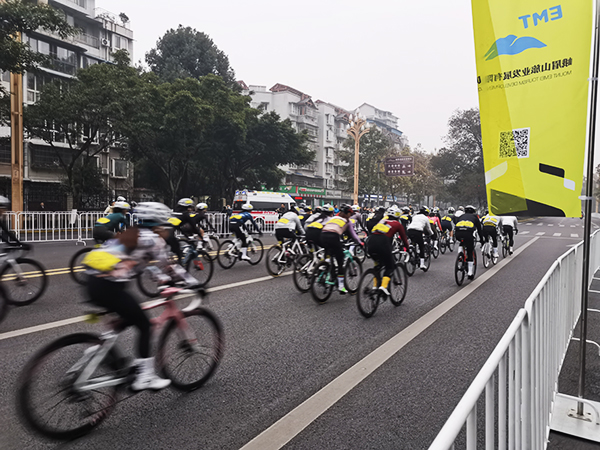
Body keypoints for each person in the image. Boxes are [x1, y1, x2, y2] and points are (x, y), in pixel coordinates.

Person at [83, 202, 200, 391]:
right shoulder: (153, 239)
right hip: (108, 286)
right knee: (145, 325)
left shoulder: (130, 233)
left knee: (127, 316)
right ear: (160, 223)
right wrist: (195, 284)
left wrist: (160, 278)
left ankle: (99, 350)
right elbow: (169, 267)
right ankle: (145, 377)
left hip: (91, 281)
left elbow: (143, 264)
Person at [367, 207, 410, 296]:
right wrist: (407, 248)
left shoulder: (382, 221)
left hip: (370, 243)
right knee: (390, 266)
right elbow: (404, 238)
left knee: (377, 266)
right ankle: (383, 287)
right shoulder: (397, 224)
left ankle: (375, 287)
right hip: (383, 244)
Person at [320, 204, 363, 294]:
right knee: (340, 261)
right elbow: (353, 235)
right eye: (350, 214)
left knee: (329, 253)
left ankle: (324, 266)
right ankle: (341, 286)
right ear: (347, 213)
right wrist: (360, 243)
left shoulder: (333, 218)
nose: (350, 216)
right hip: (333, 237)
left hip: (322, 236)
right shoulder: (347, 221)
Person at [454, 205, 484, 279]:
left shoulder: (461, 216)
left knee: (462, 241)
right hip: (468, 233)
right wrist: (482, 240)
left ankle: (460, 254)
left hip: (458, 233)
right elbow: (479, 230)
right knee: (470, 250)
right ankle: (470, 272)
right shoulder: (475, 217)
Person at [406, 206, 433, 270]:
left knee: (413, 241)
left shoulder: (415, 216)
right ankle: (422, 264)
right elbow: (428, 228)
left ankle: (411, 249)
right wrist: (432, 234)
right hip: (418, 231)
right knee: (421, 246)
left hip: (409, 230)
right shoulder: (426, 218)